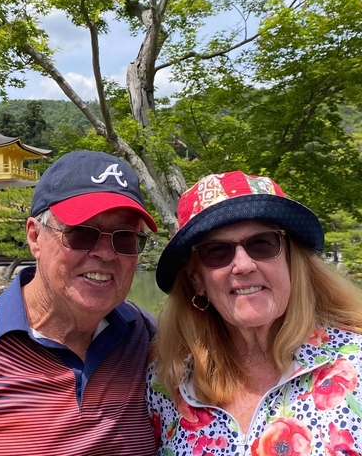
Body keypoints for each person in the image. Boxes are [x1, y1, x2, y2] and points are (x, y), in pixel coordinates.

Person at [0, 150, 159, 456]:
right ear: (35, 236)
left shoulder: (145, 336)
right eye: (82, 233)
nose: (106, 253)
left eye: (124, 237)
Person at [146, 171, 362, 455]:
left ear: (291, 261)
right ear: (197, 279)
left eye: (262, 243)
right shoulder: (167, 383)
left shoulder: (354, 365)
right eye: (217, 251)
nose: (243, 265)